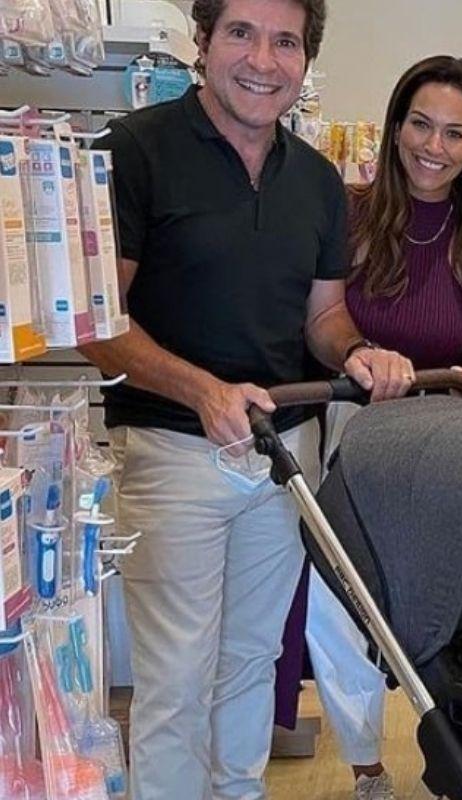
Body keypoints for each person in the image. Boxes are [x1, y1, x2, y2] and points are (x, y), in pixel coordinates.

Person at [78, 1, 414, 797]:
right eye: (241, 33)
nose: (263, 60)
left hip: (281, 454)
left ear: (306, 59)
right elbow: (99, 324)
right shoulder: (134, 150)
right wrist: (201, 390)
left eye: (285, 42)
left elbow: (324, 317)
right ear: (203, 42)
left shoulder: (320, 182)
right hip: (171, 451)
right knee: (176, 677)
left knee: (253, 661)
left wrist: (358, 353)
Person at [299, 54, 462, 800]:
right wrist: (363, 356)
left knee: (445, 608)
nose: (434, 146)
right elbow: (317, 323)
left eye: (455, 133)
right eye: (421, 124)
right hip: (353, 438)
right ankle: (365, 766)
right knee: (336, 605)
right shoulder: (349, 215)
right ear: (394, 129)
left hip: (441, 448)